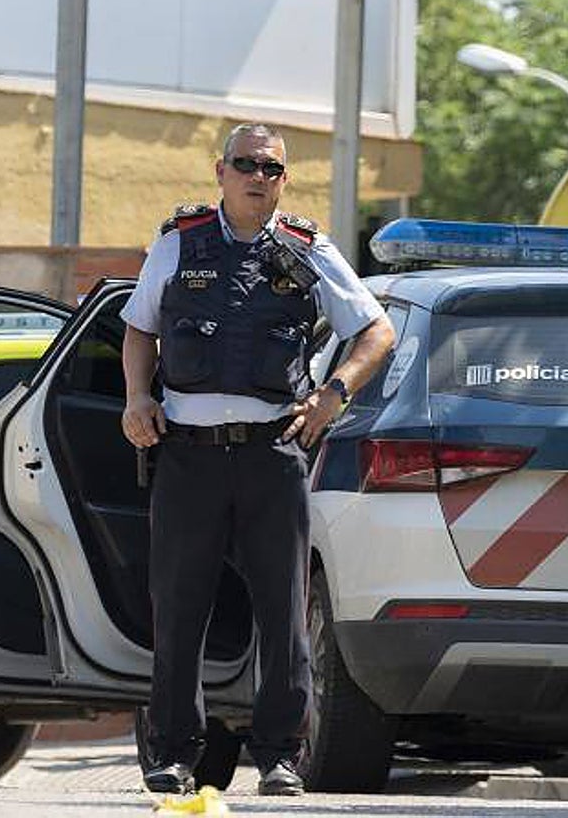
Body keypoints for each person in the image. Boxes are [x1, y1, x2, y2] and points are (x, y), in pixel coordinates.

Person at [120, 124, 395, 796]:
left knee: (284, 611)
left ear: (283, 178)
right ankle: (174, 754)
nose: (257, 177)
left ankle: (278, 757)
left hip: (273, 453)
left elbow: (377, 330)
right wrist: (135, 398)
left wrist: (333, 395)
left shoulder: (307, 248)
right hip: (188, 455)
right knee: (180, 610)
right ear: (220, 170)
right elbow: (138, 327)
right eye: (245, 164)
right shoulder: (180, 242)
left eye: (271, 168)